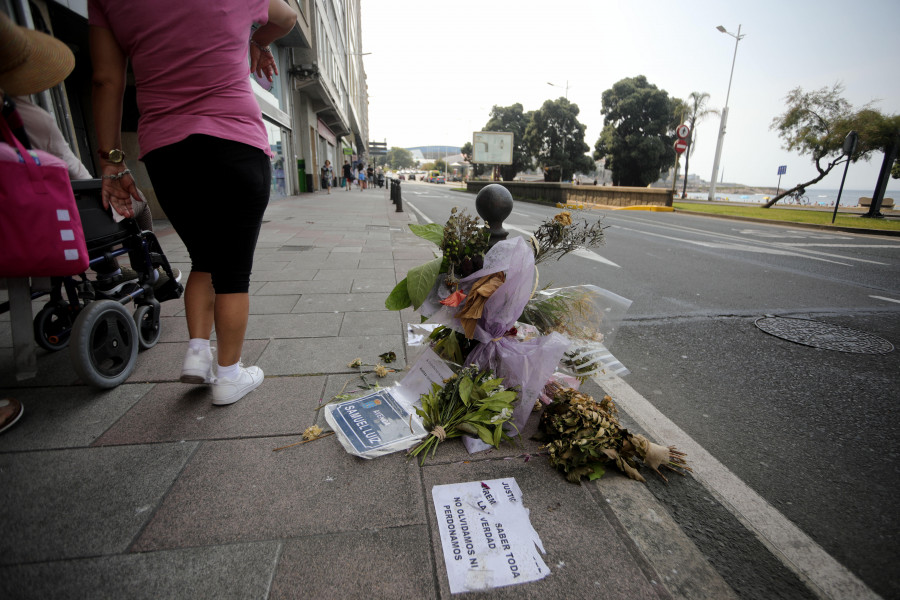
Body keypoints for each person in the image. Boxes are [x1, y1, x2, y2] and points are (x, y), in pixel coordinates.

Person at [89, 0, 297, 405]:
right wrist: (253, 39)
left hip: (167, 152)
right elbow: (287, 17)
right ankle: (229, 377)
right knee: (233, 272)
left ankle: (198, 354)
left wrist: (112, 162)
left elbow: (105, 80)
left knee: (203, 257)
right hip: (236, 141)